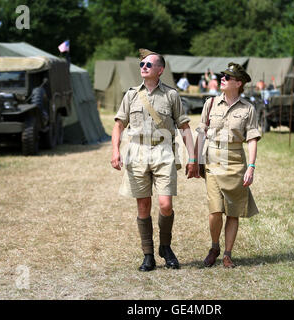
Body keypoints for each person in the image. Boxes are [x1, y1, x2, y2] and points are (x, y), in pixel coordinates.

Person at [111, 48, 198, 272]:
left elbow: (185, 127)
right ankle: (148, 254)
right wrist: (115, 151)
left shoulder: (171, 95)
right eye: (141, 65)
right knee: (143, 206)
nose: (143, 68)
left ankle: (165, 247)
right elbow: (119, 124)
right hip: (137, 152)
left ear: (160, 70)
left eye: (148, 65)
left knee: (165, 205)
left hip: (163, 153)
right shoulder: (131, 94)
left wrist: (193, 157)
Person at [194, 62, 261, 268]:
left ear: (238, 83)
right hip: (213, 161)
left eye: (228, 77)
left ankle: (227, 254)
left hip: (235, 162)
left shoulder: (248, 109)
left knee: (233, 211)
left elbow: (251, 139)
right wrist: (194, 160)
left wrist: (251, 166)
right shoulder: (211, 103)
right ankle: (214, 247)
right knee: (215, 210)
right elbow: (201, 132)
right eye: (222, 76)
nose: (222, 79)